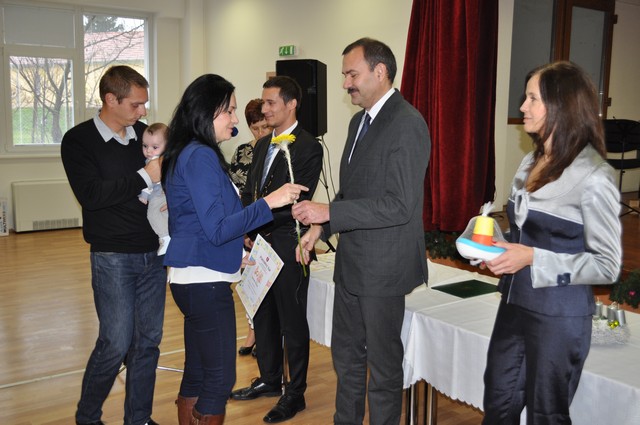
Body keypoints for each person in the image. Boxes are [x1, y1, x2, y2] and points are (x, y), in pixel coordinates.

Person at [292, 38, 431, 425]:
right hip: (352, 264)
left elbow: (399, 205)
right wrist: (320, 227)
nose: (345, 84)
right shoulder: (359, 122)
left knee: (383, 369)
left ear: (380, 72)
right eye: (344, 75)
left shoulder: (408, 123)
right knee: (347, 359)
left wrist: (329, 211)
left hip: (383, 269)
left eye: (352, 74)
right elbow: (352, 191)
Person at [161, 74, 307, 425]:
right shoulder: (199, 156)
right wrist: (269, 202)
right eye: (229, 111)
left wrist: (239, 240)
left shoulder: (189, 151)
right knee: (219, 378)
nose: (236, 119)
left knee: (198, 370)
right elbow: (215, 229)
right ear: (207, 111)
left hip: (193, 277)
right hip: (204, 282)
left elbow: (203, 221)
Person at [481, 61, 622, 424]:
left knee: (546, 415)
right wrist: (493, 244)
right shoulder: (530, 161)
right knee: (498, 405)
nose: (522, 107)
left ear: (562, 105)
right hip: (514, 304)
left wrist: (531, 258)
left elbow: (607, 266)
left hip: (559, 315)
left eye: (532, 99)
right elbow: (523, 233)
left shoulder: (594, 176)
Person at [61, 65, 166, 425]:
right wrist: (144, 175)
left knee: (147, 344)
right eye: (136, 104)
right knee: (115, 343)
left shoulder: (146, 137)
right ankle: (87, 417)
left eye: (144, 104)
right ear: (111, 99)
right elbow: (92, 195)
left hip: (154, 256)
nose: (143, 111)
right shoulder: (78, 140)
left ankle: (139, 419)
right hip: (112, 257)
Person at [230, 75, 323, 423]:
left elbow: (297, 199)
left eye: (271, 103)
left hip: (287, 242)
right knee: (263, 312)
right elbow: (249, 191)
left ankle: (295, 393)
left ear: (291, 104)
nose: (265, 109)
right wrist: (247, 227)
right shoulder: (262, 144)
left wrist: (258, 222)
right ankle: (269, 379)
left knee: (292, 321)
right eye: (263, 102)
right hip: (258, 242)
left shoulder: (309, 146)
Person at [230, 98, 271, 357]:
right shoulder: (242, 152)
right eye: (255, 128)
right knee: (249, 282)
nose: (260, 133)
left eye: (265, 127)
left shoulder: (278, 149)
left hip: (270, 224)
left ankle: (270, 335)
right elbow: (234, 192)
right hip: (245, 225)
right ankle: (253, 330)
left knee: (269, 284)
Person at [138, 122, 171, 255]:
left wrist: (144, 195)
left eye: (155, 147)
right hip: (162, 194)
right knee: (164, 215)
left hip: (159, 194)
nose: (148, 151)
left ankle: (165, 237)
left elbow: (150, 181)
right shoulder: (163, 159)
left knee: (152, 214)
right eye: (145, 146)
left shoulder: (157, 161)